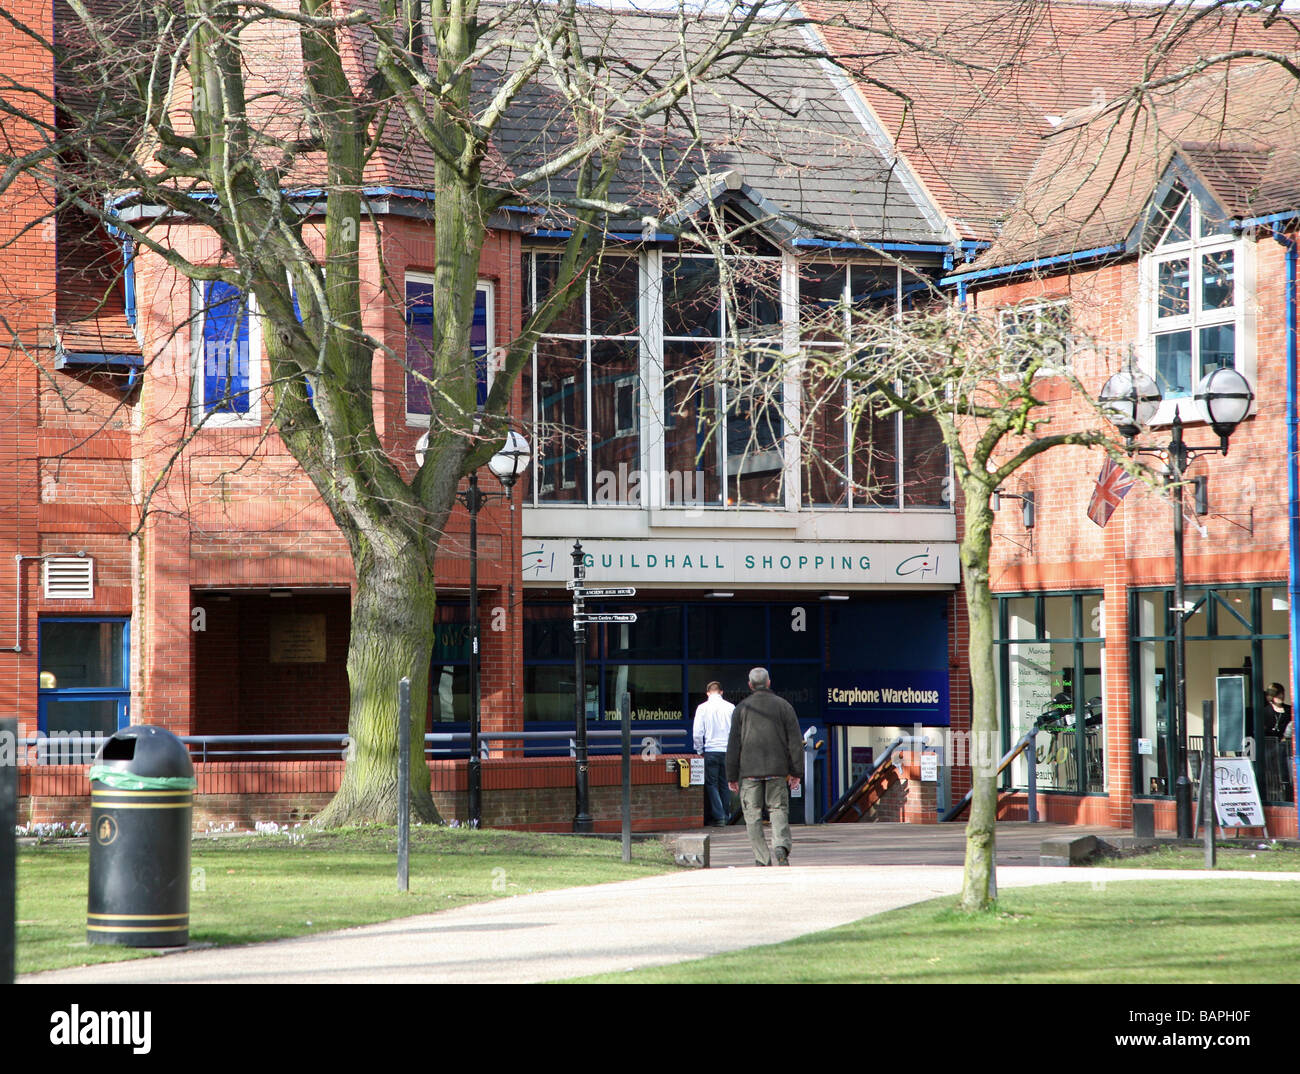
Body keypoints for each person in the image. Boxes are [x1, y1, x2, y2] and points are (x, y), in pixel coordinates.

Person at [726, 667, 803, 866]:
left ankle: (761, 857)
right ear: (769, 683)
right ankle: (781, 845)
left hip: (749, 772)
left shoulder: (742, 708)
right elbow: (794, 741)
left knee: (752, 814)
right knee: (778, 809)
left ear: (750, 685)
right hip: (777, 770)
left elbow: (734, 744)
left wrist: (731, 775)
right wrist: (796, 772)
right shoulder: (784, 706)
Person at [693, 681, 735, 827]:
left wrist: (699, 750)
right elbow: (736, 732)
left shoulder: (702, 708)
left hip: (710, 750)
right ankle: (726, 814)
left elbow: (698, 732)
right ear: (721, 692)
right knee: (725, 784)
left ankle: (719, 816)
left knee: (711, 784)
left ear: (707, 693)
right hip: (727, 750)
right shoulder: (731, 707)